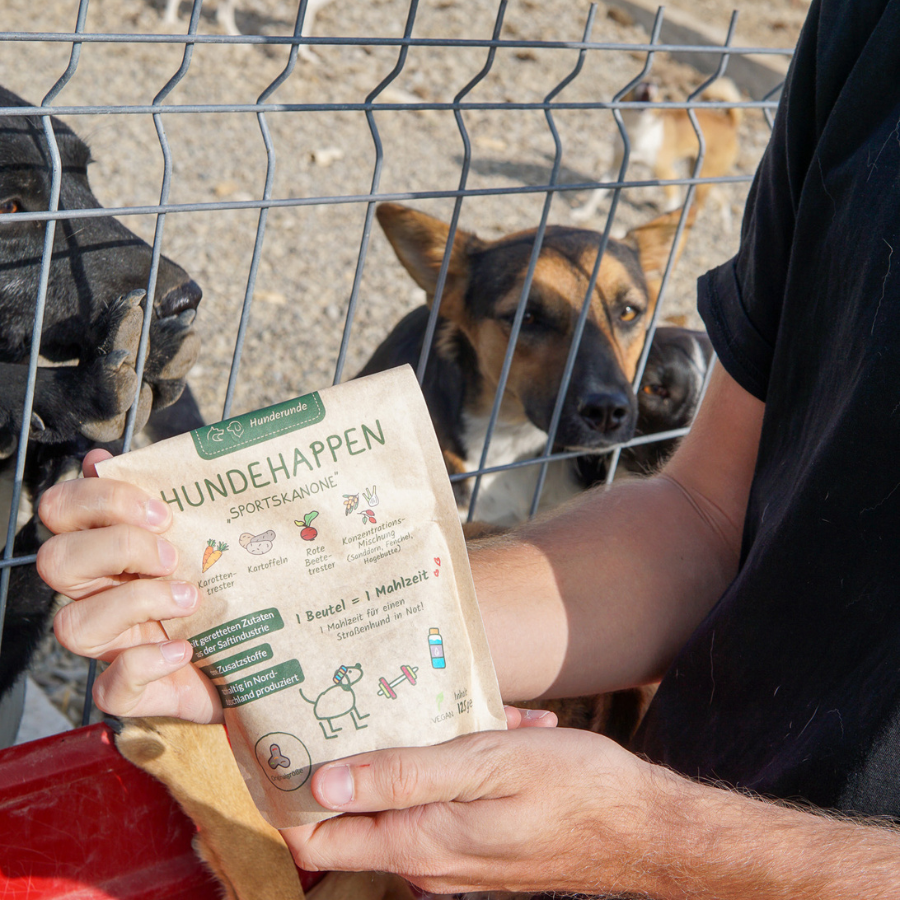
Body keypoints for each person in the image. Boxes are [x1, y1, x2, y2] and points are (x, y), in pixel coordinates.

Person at [35, 0, 900, 894]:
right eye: (533, 322)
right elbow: (709, 517)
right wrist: (284, 625)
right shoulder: (860, 29)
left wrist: (658, 839)